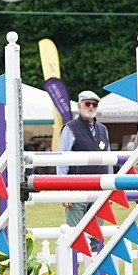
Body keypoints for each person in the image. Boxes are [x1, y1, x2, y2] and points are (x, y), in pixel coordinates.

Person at [57, 90, 112, 235]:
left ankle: (95, 259)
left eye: (95, 104)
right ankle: (75, 259)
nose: (91, 107)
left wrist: (110, 189)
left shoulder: (103, 130)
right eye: (88, 103)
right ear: (79, 105)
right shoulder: (69, 128)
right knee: (75, 235)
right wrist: (64, 191)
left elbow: (109, 161)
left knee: (96, 236)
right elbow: (62, 162)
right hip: (76, 188)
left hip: (99, 188)